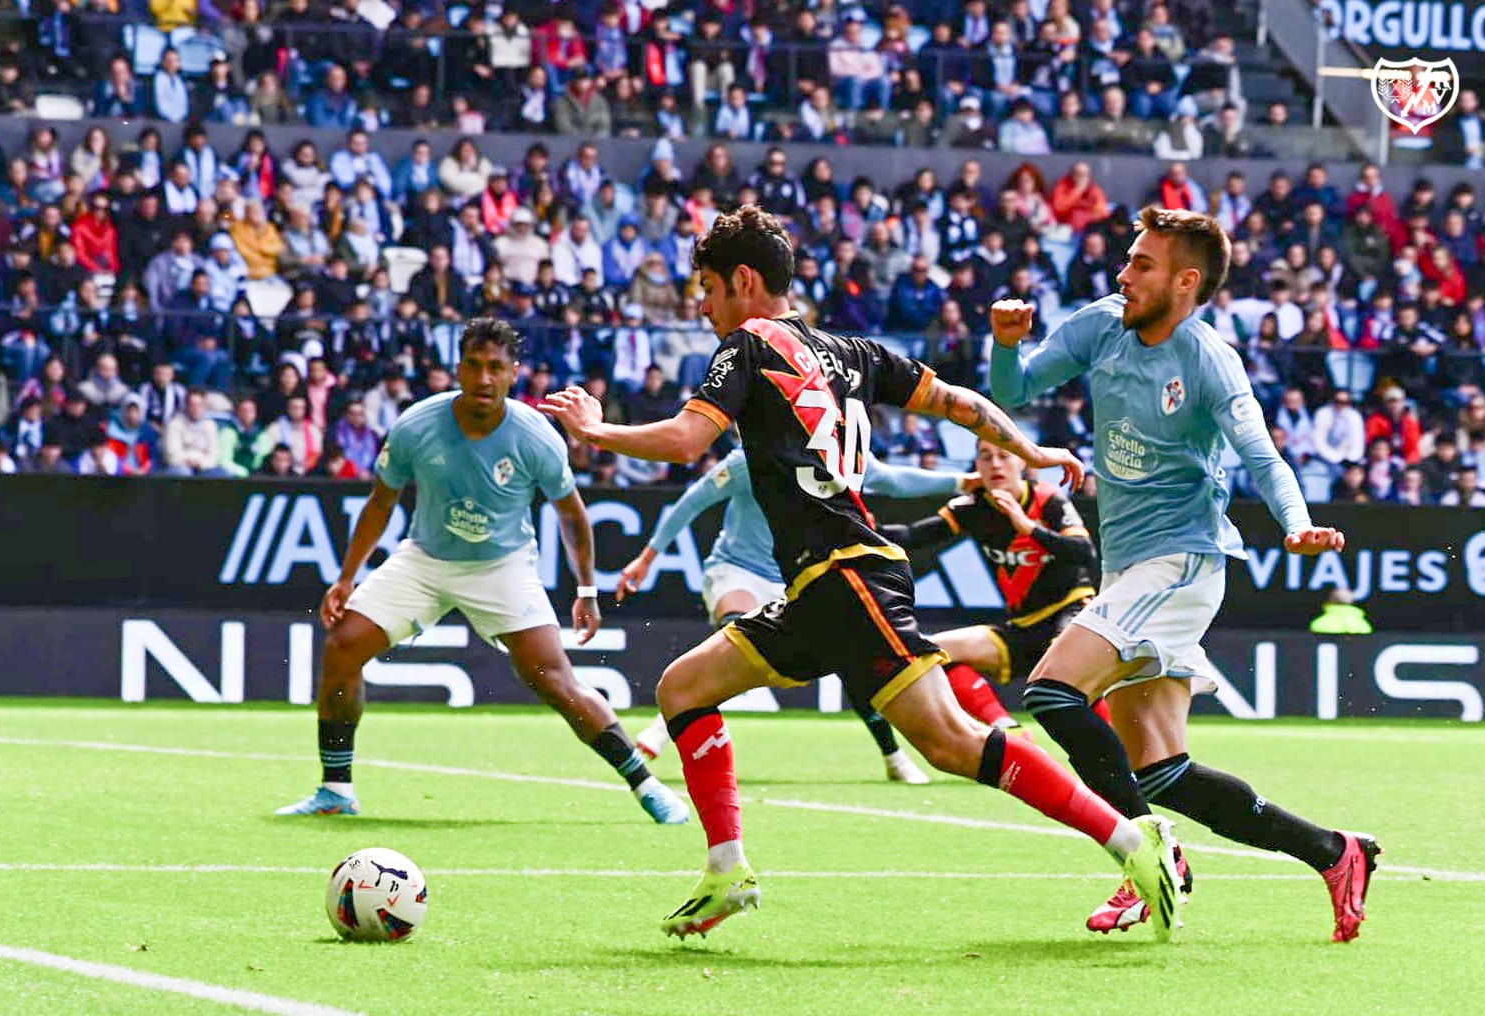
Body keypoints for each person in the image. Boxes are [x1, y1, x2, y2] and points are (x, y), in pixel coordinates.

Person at [541, 206, 1179, 942]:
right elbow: (960, 401)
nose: (703, 303)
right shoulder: (852, 351)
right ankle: (727, 872)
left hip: (846, 575)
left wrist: (595, 430)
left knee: (948, 741)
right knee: (684, 687)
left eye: (708, 286)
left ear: (745, 281)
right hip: (820, 586)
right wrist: (1030, 454)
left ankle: (1135, 842)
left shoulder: (747, 344)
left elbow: (689, 442)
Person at [988, 206, 1377, 943]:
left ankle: (1145, 853)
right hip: (1128, 565)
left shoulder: (1207, 359)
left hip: (1183, 560)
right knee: (1163, 771)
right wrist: (1006, 346)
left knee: (1051, 692)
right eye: (1129, 261)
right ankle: (1337, 853)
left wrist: (1294, 524)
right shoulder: (1101, 324)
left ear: (1185, 281)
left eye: (1141, 265)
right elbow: (1012, 393)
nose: (1123, 274)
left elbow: (1263, 457)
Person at [276, 318, 688, 827]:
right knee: (343, 646)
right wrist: (346, 577)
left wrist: (586, 589)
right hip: (424, 560)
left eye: (496, 367)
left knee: (555, 682)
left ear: (513, 373)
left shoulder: (535, 435)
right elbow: (381, 504)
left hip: (503, 567)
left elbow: (572, 515)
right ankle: (335, 788)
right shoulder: (416, 425)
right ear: (459, 367)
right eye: (474, 365)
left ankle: (646, 785)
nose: (484, 378)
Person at [616, 447, 974, 785]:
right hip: (735, 570)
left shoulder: (842, 454)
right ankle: (665, 727)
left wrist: (959, 482)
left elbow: (894, 479)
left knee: (852, 659)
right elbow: (693, 501)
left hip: (794, 580)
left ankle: (893, 757)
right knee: (733, 632)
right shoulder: (748, 460)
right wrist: (647, 558)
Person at [875, 440, 1112, 739]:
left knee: (1068, 671)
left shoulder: (1047, 499)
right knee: (936, 653)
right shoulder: (973, 506)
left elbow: (1083, 552)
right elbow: (913, 535)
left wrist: (1029, 528)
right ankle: (1007, 729)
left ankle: (1115, 754)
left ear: (1023, 462)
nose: (995, 464)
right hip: (1021, 627)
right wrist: (867, 528)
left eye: (1004, 455)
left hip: (1069, 611)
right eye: (985, 457)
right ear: (977, 465)